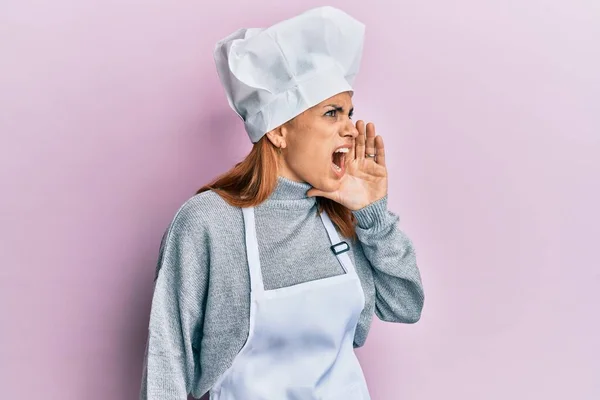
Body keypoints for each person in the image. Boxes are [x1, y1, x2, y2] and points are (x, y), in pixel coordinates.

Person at [140, 6, 424, 400]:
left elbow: (406, 305)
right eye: (331, 113)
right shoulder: (208, 223)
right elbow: (168, 359)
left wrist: (372, 216)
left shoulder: (338, 215)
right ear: (278, 131)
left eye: (350, 112)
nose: (350, 128)